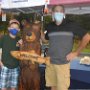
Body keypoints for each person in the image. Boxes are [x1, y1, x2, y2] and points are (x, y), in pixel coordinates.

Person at [45, 5, 90, 90]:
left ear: (64, 13)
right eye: (56, 11)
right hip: (50, 62)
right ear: (52, 13)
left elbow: (87, 37)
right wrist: (40, 33)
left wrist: (76, 52)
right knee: (52, 87)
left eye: (60, 11)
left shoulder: (71, 24)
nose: (58, 13)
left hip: (63, 64)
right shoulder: (49, 26)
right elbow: (46, 39)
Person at [0, 19, 21, 90]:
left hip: (16, 67)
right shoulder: (4, 38)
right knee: (3, 87)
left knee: (14, 87)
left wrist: (22, 45)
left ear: (18, 30)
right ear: (9, 28)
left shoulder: (19, 39)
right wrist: (0, 63)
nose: (14, 29)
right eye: (12, 27)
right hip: (5, 67)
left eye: (16, 28)